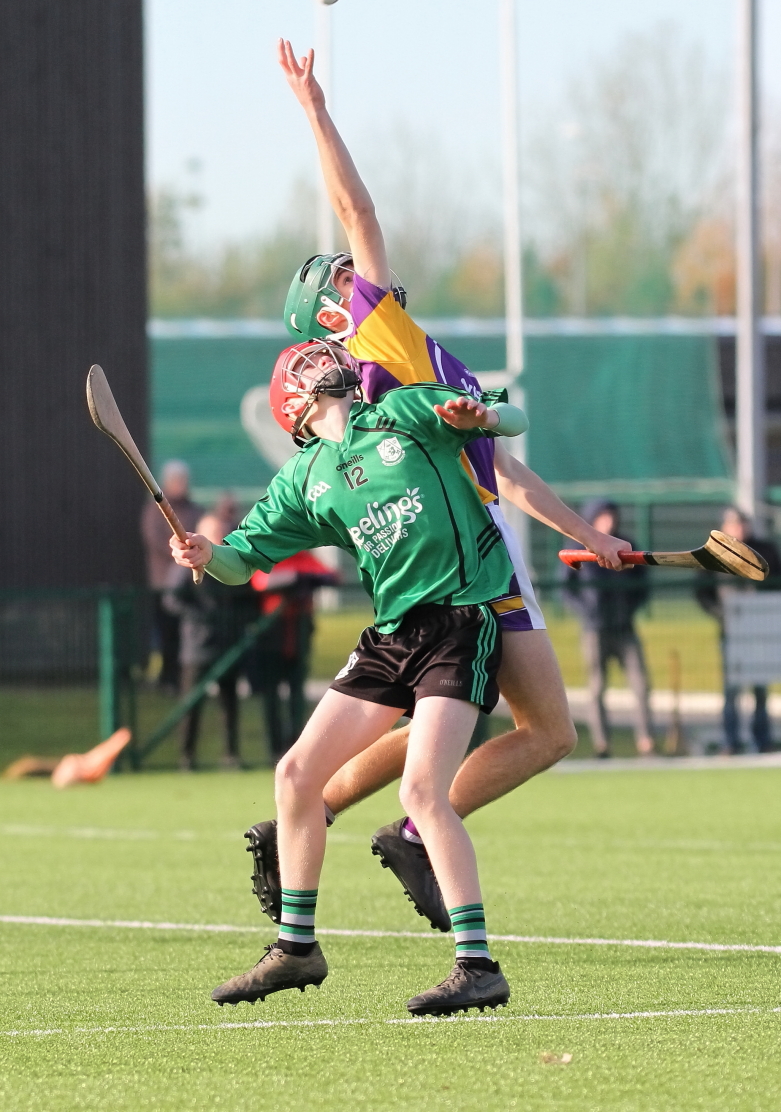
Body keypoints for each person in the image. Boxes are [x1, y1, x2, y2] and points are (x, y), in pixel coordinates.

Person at [243, 38, 633, 936]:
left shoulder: (403, 358)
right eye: (343, 278)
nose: (360, 271)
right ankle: (414, 832)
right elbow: (358, 206)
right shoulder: (376, 339)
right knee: (542, 732)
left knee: (467, 720)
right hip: (472, 560)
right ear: (333, 317)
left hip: (477, 541)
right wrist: (313, 109)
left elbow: (507, 470)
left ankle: (315, 817)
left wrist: (590, 531)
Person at [171, 340, 530, 1014]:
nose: (321, 360)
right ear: (292, 404)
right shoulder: (303, 478)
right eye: (302, 363)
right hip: (391, 635)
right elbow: (239, 560)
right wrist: (204, 551)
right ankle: (296, 949)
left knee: (424, 792)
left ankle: (478, 965)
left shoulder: (402, 413)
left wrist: (477, 417)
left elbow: (510, 422)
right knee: (295, 775)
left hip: (459, 624)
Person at [169, 494, 260, 770]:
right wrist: (200, 616)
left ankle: (230, 755)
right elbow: (171, 599)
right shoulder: (186, 564)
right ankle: (187, 757)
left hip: (228, 644)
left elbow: (249, 596)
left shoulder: (229, 565)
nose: (219, 537)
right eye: (214, 533)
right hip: (197, 645)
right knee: (191, 704)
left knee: (229, 702)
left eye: (221, 533)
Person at [562, 500, 654, 758]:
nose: (610, 521)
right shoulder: (578, 547)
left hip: (625, 627)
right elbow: (566, 587)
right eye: (603, 516)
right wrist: (586, 611)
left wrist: (629, 609)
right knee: (596, 688)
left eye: (612, 516)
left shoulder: (626, 545)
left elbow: (642, 583)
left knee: (641, 685)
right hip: (595, 629)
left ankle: (646, 741)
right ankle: (603, 744)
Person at [696, 506, 781, 754]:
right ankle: (730, 741)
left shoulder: (764, 550)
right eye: (733, 524)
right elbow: (702, 591)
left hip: (759, 630)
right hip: (731, 631)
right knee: (731, 689)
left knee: (760, 686)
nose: (739, 528)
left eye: (742, 523)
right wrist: (722, 614)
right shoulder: (714, 554)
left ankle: (763, 739)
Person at [249, 551, 339, 760]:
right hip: (272, 635)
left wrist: (304, 578)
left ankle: (295, 747)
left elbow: (332, 576)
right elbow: (260, 581)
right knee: (271, 695)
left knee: (296, 694)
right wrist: (297, 578)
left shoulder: (303, 555)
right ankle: (274, 749)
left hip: (299, 634)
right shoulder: (268, 555)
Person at [140, 460, 202, 691]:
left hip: (189, 584)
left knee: (185, 636)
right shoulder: (154, 511)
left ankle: (182, 679)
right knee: (166, 634)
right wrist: (180, 553)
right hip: (163, 585)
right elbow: (154, 541)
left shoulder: (195, 510)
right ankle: (166, 678)